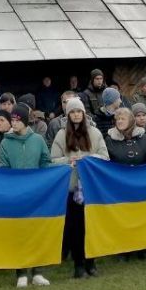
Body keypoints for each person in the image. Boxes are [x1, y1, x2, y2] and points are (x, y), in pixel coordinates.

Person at [50, 97, 108, 278]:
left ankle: (91, 262)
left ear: (83, 113)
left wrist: (90, 160)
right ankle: (78, 264)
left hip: (91, 188)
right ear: (68, 115)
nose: (76, 115)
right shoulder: (61, 135)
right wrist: (69, 161)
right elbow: (52, 161)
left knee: (91, 227)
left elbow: (105, 156)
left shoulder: (95, 133)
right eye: (72, 112)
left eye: (78, 111)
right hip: (71, 189)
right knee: (75, 228)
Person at [0, 103, 52, 287]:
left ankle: (37, 272)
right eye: (12, 120)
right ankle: (21, 273)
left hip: (36, 193)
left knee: (37, 231)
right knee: (19, 232)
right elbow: (2, 165)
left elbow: (45, 162)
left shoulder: (38, 140)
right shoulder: (6, 141)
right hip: (16, 193)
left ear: (25, 122)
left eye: (17, 120)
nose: (13, 123)